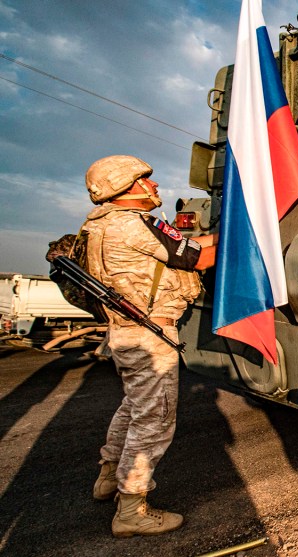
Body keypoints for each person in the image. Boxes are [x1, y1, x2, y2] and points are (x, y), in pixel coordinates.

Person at [83, 155, 217, 538]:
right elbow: (198, 257)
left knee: (133, 408)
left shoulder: (104, 224)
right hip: (148, 334)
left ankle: (109, 476)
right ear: (125, 188)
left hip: (127, 332)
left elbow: (185, 244)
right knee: (154, 421)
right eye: (146, 179)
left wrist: (223, 234)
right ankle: (131, 509)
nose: (154, 186)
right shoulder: (132, 225)